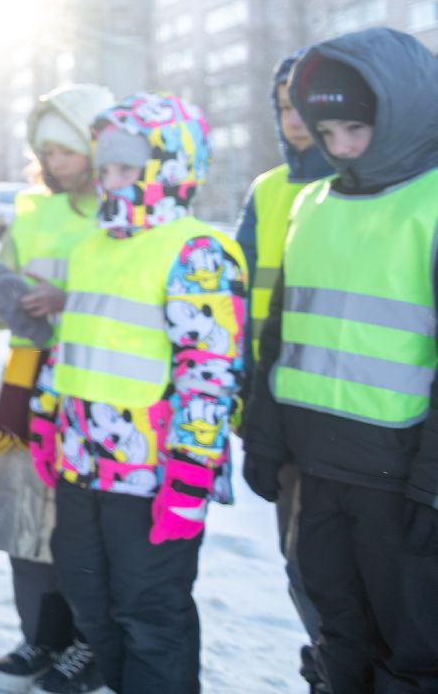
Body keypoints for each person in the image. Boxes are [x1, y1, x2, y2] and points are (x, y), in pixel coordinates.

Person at [243, 28, 438, 694]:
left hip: (402, 476)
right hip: (317, 469)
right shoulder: (311, 205)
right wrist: (264, 439)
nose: (341, 147)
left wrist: (432, 485)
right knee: (335, 629)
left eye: (356, 128)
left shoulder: (433, 204)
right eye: (328, 132)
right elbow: (280, 336)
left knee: (412, 646)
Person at [31, 93, 245, 694]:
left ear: (169, 169)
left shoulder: (196, 250)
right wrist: (47, 419)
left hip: (151, 478)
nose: (111, 181)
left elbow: (209, 374)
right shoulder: (93, 246)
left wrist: (190, 478)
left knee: (149, 618)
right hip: (83, 465)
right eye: (106, 168)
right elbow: (66, 345)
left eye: (128, 168)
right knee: (89, 602)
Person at [0, 83, 114, 694]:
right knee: (23, 520)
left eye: (67, 150)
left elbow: (128, 298)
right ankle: (40, 637)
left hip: (94, 386)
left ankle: (88, 643)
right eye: (45, 151)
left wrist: (67, 302)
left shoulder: (119, 211)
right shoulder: (29, 211)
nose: (55, 163)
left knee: (79, 527)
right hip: (26, 383)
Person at [231, 52, 333, 691]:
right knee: (301, 561)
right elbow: (237, 296)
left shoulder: (369, 184)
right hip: (278, 402)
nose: (293, 119)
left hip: (351, 405)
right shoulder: (269, 190)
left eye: (303, 105)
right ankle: (325, 662)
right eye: (283, 107)